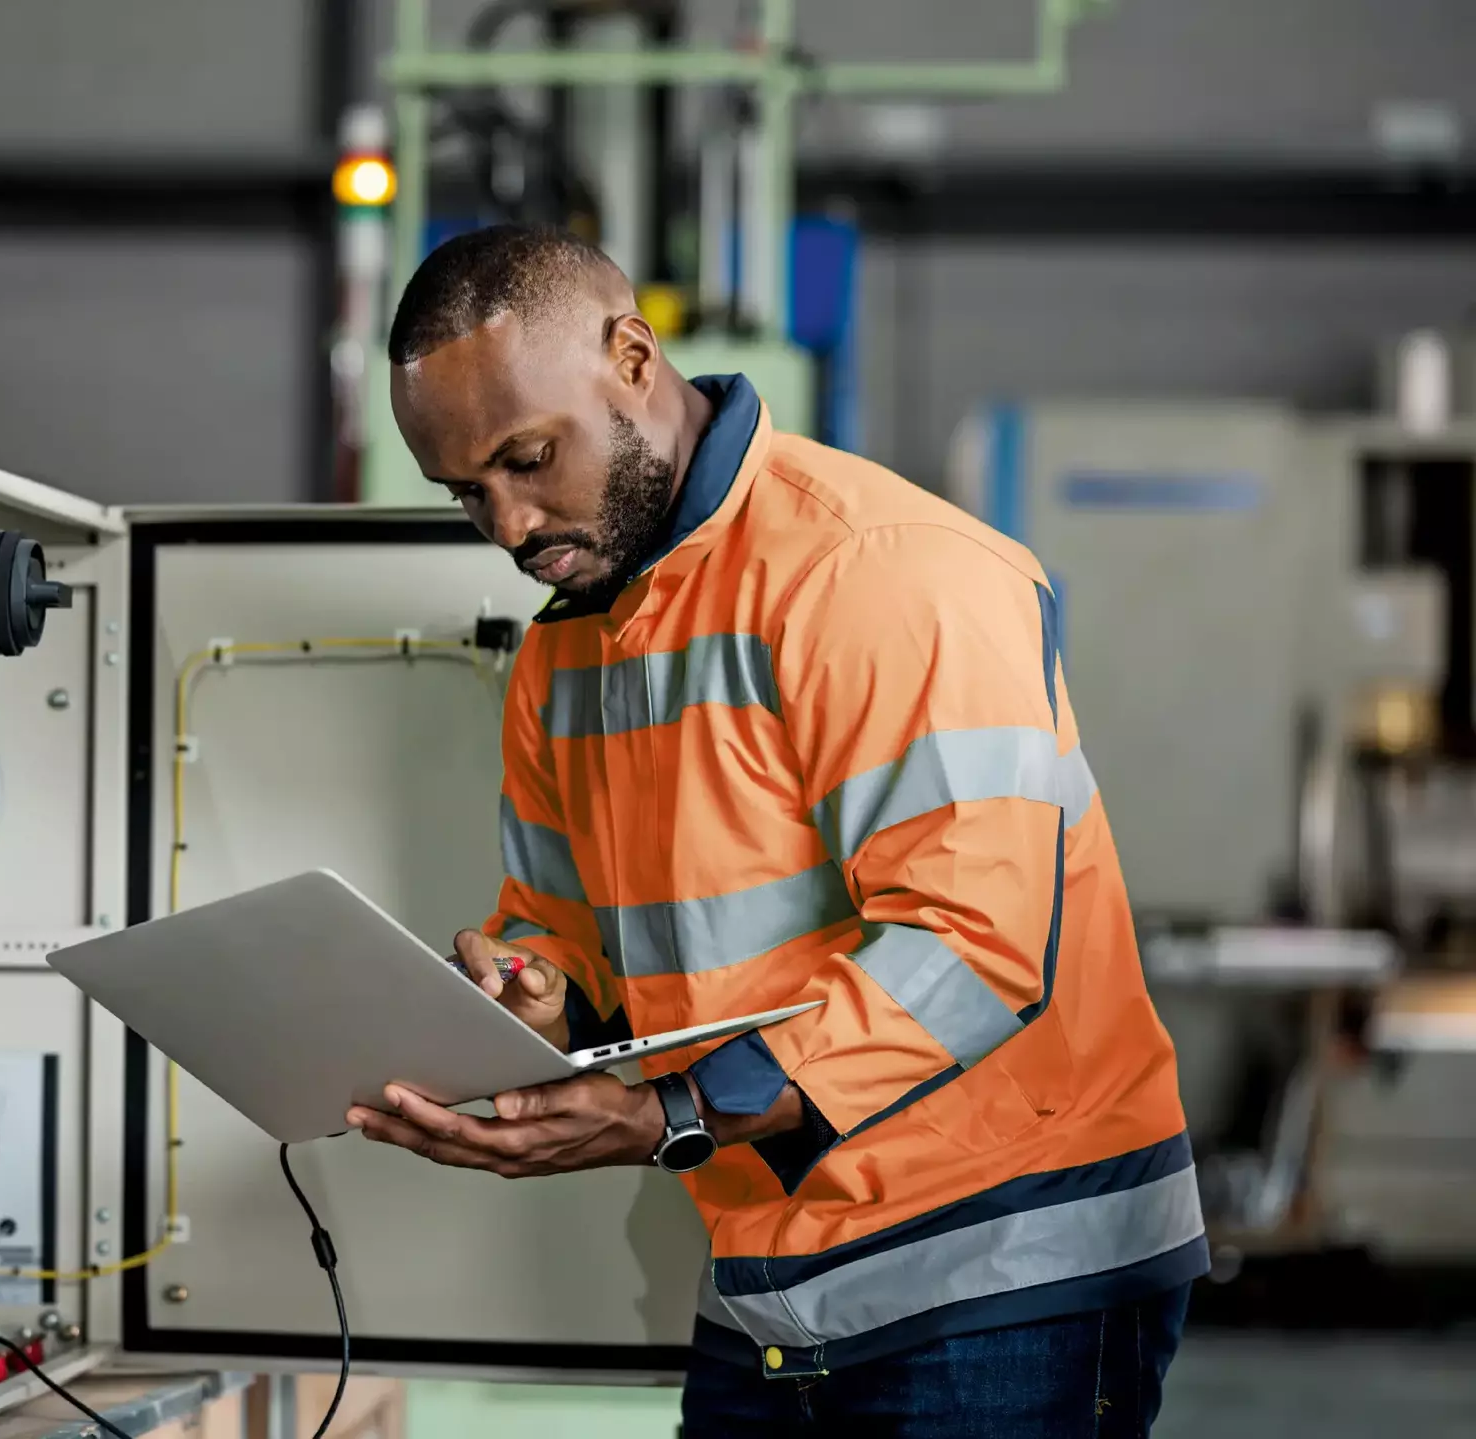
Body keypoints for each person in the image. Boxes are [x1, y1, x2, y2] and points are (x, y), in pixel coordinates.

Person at [348, 224, 1205, 1437]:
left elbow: (973, 945)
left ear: (631, 355)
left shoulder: (880, 570)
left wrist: (672, 1115)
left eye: (528, 458)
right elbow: (563, 936)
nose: (507, 523)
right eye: (466, 493)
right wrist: (524, 993)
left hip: (1008, 1266)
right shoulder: (565, 647)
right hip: (777, 1281)